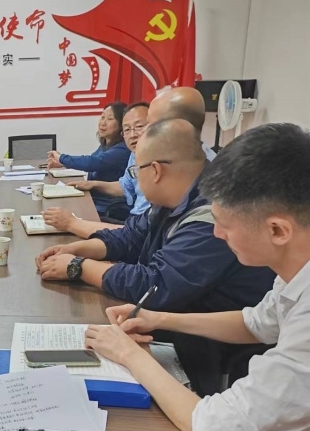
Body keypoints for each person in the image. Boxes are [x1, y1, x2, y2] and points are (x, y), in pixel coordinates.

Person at [85, 123, 310, 431]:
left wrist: (130, 356)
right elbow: (256, 322)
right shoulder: (296, 268)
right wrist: (158, 318)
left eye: (224, 224)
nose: (217, 234)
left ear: (277, 229)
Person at [36, 119, 275, 393]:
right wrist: (77, 249)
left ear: (156, 170)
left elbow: (155, 284)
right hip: (178, 321)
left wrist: (78, 267)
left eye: (135, 170)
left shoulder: (212, 216)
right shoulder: (171, 200)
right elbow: (130, 237)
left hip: (210, 350)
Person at [44, 102, 149, 237]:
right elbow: (125, 185)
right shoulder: (133, 154)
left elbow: (93, 162)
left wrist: (62, 158)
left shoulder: (134, 153)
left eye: (139, 127)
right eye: (127, 129)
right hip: (133, 223)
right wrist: (94, 184)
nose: (133, 134)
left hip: (131, 223)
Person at [47, 102, 131, 218]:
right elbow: (92, 161)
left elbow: (93, 162)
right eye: (102, 117)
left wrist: (62, 158)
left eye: (110, 119)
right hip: (93, 200)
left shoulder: (122, 149)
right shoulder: (106, 145)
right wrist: (62, 164)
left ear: (122, 124)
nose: (103, 123)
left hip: (108, 207)